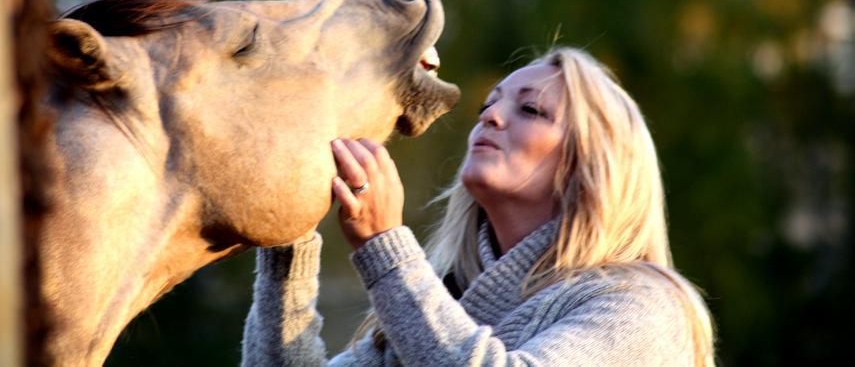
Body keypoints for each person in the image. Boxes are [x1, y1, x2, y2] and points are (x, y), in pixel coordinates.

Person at [241, 47, 715, 366]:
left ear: (593, 165)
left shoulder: (643, 307)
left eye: (531, 110)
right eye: (488, 105)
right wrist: (288, 233)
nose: (490, 115)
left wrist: (385, 249)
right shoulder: (445, 301)